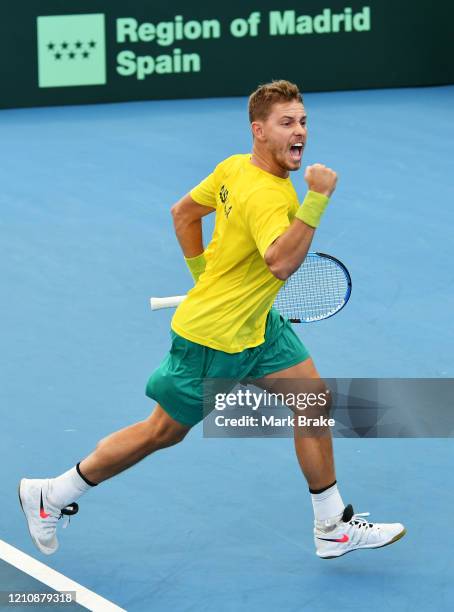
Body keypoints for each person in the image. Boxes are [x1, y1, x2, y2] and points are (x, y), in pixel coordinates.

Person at [19, 80, 405, 559]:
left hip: (258, 328)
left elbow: (183, 214)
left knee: (312, 400)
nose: (299, 131)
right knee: (162, 432)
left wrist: (202, 276)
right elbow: (281, 263)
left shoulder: (232, 168)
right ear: (258, 130)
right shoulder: (274, 197)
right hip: (214, 340)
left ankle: (332, 526)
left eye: (303, 121)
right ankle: (53, 493)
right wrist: (318, 199)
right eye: (287, 122)